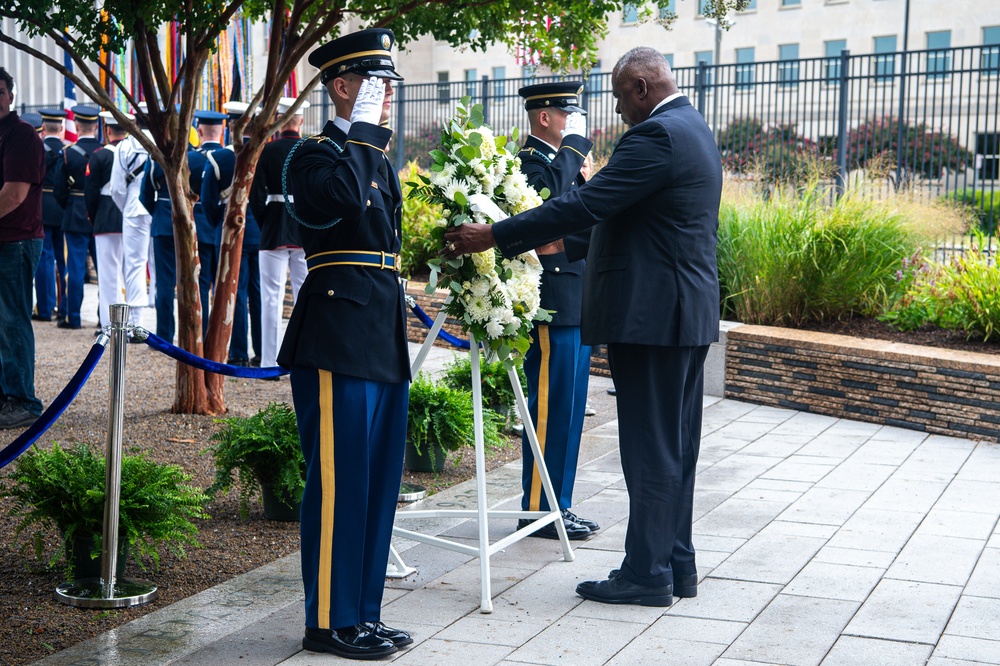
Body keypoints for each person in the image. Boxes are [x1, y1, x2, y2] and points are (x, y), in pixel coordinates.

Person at [444, 47, 723, 608]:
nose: (617, 111)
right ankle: (676, 564)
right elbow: (636, 219)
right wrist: (557, 244)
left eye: (621, 97)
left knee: (650, 447)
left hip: (651, 315)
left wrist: (495, 235)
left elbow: (590, 201)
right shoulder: (693, 127)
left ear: (643, 87)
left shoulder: (656, 135)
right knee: (677, 445)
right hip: (680, 312)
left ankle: (646, 574)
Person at [281, 28, 412, 659]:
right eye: (374, 86)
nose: (385, 98)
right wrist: (361, 132)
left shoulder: (375, 157)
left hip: (380, 330)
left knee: (377, 480)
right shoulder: (311, 156)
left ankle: (363, 613)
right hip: (335, 334)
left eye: (388, 87)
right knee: (339, 481)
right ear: (342, 86)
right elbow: (337, 200)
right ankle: (329, 620)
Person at [511, 81, 600, 541]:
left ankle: (558, 503)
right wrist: (574, 152)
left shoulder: (566, 164)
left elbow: (585, 219)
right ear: (544, 117)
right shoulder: (530, 164)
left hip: (577, 296)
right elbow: (546, 204)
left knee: (568, 409)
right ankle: (536, 508)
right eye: (568, 114)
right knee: (548, 407)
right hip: (551, 300)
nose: (575, 124)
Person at [0, 67, 46, 429]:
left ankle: (23, 401)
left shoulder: (21, 135)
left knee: (13, 320)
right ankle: (5, 395)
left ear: (10, 96)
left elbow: (14, 195)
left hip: (15, 241)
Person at [249, 96, 309, 371]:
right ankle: (302, 359)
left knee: (270, 298)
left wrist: (267, 223)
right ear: (301, 121)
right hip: (305, 232)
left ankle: (268, 361)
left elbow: (255, 195)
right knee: (304, 297)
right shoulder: (310, 149)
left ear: (279, 121)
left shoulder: (268, 150)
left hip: (273, 229)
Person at [201, 101, 262, 366]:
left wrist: (219, 225)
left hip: (228, 232)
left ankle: (237, 352)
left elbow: (207, 201)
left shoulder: (219, 158)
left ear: (230, 126)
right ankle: (262, 351)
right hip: (260, 232)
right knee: (259, 294)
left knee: (233, 292)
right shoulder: (263, 153)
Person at [55, 105, 102, 330]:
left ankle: (73, 317)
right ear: (95, 126)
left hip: (75, 212)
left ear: (78, 126)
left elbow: (59, 191)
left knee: (74, 268)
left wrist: (71, 205)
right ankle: (105, 318)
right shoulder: (103, 152)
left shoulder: (67, 153)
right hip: (100, 215)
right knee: (104, 270)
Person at [111, 102, 154, 328]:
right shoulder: (164, 142)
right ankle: (162, 321)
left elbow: (117, 188)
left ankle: (137, 322)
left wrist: (125, 207)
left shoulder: (125, 146)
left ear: (135, 119)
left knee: (136, 264)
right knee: (159, 265)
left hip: (134, 205)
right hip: (158, 206)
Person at [87, 111, 129, 330]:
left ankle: (109, 323)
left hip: (105, 216)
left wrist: (93, 218)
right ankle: (131, 321)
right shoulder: (132, 153)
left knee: (108, 273)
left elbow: (91, 193)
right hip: (129, 216)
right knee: (129, 271)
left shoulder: (100, 155)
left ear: (107, 130)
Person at [190, 110, 227, 335]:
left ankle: (202, 333)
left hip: (199, 227)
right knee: (224, 285)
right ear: (222, 132)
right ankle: (222, 336)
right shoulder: (228, 158)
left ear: (200, 131)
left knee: (202, 283)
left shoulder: (191, 158)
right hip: (221, 227)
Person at [34, 108, 67, 322]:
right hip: (63, 207)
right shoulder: (69, 151)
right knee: (63, 260)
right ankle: (64, 308)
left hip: (42, 207)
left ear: (43, 128)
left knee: (44, 258)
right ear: (62, 128)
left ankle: (45, 309)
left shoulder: (37, 150)